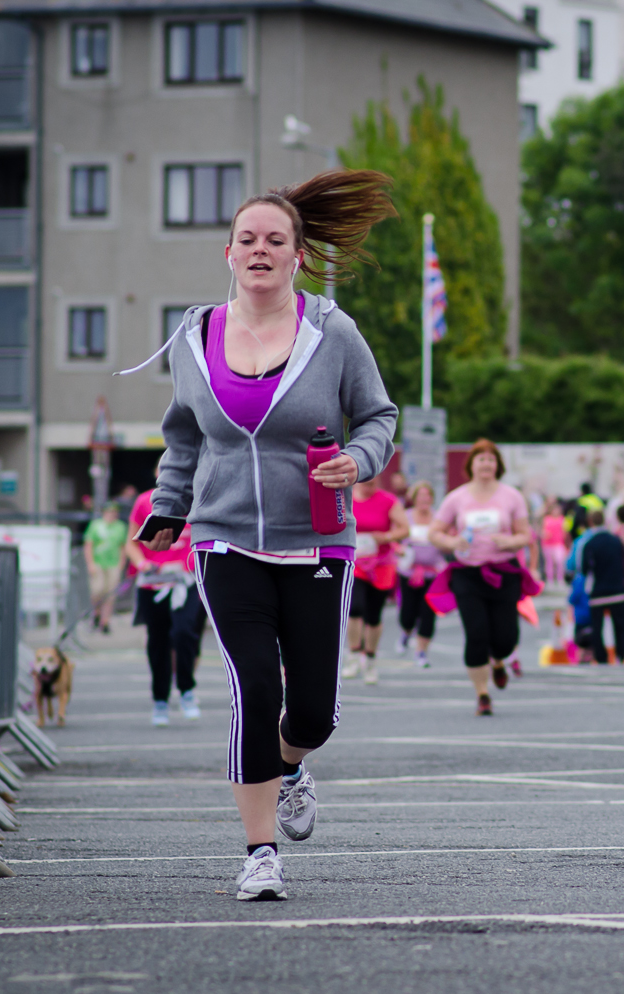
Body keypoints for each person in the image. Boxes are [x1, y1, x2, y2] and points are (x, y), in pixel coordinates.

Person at [137, 170, 399, 900]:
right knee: (254, 685)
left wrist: (360, 460)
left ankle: (291, 764)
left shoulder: (333, 332)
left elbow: (378, 416)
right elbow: (183, 435)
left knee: (313, 709)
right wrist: (169, 504)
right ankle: (259, 853)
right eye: (247, 238)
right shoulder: (195, 336)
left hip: (317, 540)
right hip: (224, 540)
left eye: (274, 240)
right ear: (228, 253)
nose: (260, 249)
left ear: (297, 255)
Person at [430, 439, 535, 715]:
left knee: (505, 638)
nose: (486, 464)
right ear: (471, 465)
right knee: (476, 633)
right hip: (468, 574)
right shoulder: (457, 497)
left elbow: (526, 535)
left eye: (491, 459)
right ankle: (483, 694)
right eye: (481, 459)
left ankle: (499, 661)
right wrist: (452, 543)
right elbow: (434, 533)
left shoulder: (511, 496)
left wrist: (510, 541)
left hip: (503, 572)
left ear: (498, 465)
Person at [125, 478, 205, 728]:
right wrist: (141, 563)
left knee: (185, 633)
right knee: (158, 641)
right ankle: (160, 699)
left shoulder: (198, 497)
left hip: (186, 580)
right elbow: (131, 543)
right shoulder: (143, 501)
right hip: (154, 580)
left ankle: (186, 688)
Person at [342, 477, 409, 686]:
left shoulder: (388, 501)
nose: (368, 486)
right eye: (364, 482)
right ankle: (353, 655)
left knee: (374, 614)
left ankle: (370, 658)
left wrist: (386, 537)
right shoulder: (347, 497)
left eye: (372, 482)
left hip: (381, 565)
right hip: (356, 563)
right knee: (355, 608)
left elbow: (405, 529)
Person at [396, 482, 443, 668]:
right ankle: (406, 633)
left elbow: (447, 537)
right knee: (408, 614)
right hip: (409, 572)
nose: (424, 499)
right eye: (420, 496)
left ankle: (421, 652)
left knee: (428, 615)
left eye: (428, 495)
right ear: (414, 498)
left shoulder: (439, 519)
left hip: (434, 574)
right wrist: (399, 550)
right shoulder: (406, 517)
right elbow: (396, 539)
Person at [580, 509, 624, 663]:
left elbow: (584, 569)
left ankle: (601, 656)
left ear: (590, 522)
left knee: (597, 626)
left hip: (598, 589)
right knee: (620, 625)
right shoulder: (616, 541)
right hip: (617, 587)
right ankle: (621, 655)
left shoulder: (589, 544)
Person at [84, 502, 127, 633]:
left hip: (113, 563)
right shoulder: (96, 525)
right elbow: (89, 545)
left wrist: (121, 564)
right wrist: (90, 563)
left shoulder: (120, 527)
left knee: (110, 594)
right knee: (97, 590)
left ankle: (105, 621)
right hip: (99, 562)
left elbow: (123, 546)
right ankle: (96, 612)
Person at [539, 497, 569, 586]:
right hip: (548, 544)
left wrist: (566, 543)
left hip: (558, 543)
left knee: (559, 561)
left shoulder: (562, 519)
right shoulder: (546, 519)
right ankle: (550, 578)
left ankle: (560, 578)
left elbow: (565, 532)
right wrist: (544, 534)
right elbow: (542, 531)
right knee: (549, 562)